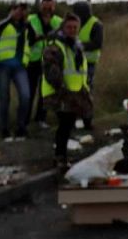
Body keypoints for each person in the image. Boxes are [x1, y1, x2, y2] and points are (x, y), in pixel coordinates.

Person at [39, 14, 91, 164]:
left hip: (74, 92)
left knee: (68, 125)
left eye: (75, 27)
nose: (72, 30)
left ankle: (61, 155)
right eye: (69, 27)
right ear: (63, 28)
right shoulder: (55, 46)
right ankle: (60, 156)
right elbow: (52, 72)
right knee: (65, 124)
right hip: (59, 93)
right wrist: (61, 89)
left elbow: (79, 71)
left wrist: (84, 89)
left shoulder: (76, 46)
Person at [0, 3, 35, 140]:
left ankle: (21, 127)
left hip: (20, 67)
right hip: (3, 66)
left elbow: (33, 38)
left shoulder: (26, 26)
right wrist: (10, 18)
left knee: (25, 96)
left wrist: (27, 22)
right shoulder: (5, 24)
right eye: (17, 10)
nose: (19, 13)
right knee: (4, 99)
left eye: (22, 11)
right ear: (11, 11)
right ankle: (4, 129)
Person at [28, 0, 62, 128]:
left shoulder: (58, 21)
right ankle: (25, 120)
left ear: (54, 7)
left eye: (50, 7)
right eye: (45, 7)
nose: (47, 10)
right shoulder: (31, 19)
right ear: (40, 7)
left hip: (49, 61)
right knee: (30, 92)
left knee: (44, 92)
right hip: (32, 60)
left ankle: (40, 119)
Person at [72, 1, 103, 130]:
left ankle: (87, 121)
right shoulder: (74, 23)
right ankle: (72, 120)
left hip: (89, 63)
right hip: (73, 62)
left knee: (86, 91)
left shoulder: (96, 24)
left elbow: (97, 43)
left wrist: (80, 46)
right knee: (73, 91)